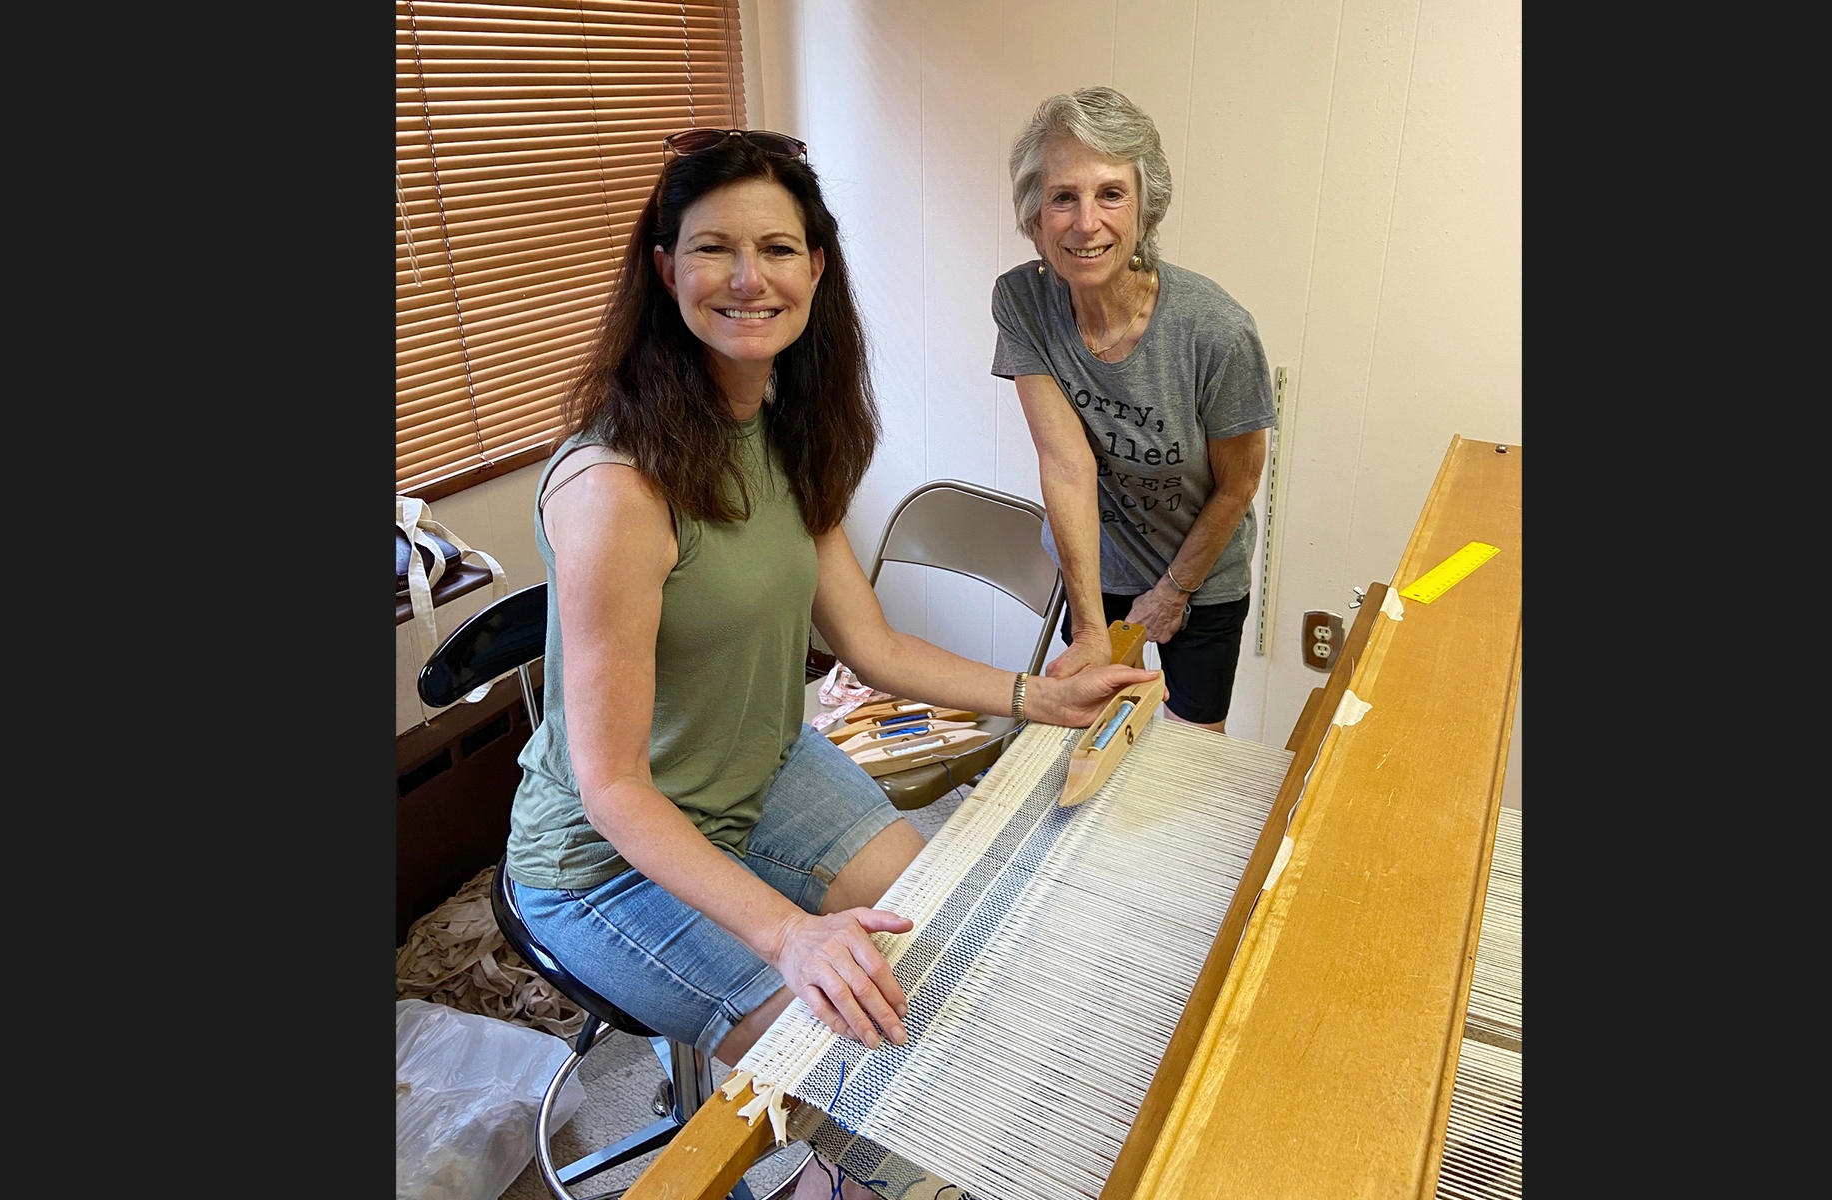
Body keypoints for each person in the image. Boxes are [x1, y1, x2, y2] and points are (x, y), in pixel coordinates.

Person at [503, 128, 1154, 1193]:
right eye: (714, 248)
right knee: (861, 1060)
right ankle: (825, 1167)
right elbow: (612, 787)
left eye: (780, 248)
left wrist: (1041, 694)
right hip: (604, 859)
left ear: (817, 268)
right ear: (665, 269)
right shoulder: (617, 490)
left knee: (947, 949)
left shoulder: (782, 428)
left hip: (761, 771)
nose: (750, 278)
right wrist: (790, 936)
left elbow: (870, 644)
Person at [993, 87, 1277, 733]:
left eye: (1110, 195)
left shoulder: (1216, 331)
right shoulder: (1023, 304)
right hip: (1098, 565)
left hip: (1200, 570)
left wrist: (1173, 591)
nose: (1084, 222)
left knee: (1190, 749)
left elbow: (1238, 485)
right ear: (1036, 216)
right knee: (1092, 731)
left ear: (1145, 212)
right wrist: (1093, 626)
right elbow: (1067, 466)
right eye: (1063, 197)